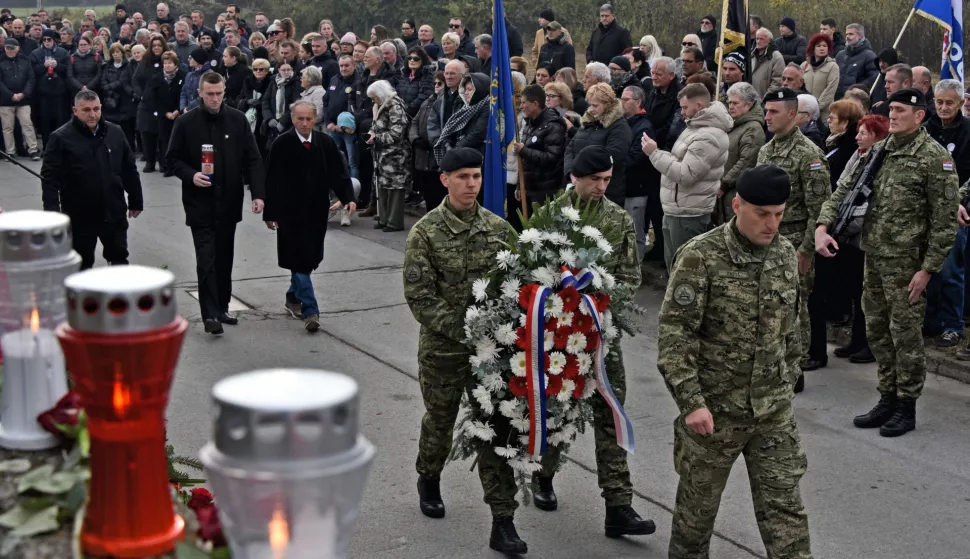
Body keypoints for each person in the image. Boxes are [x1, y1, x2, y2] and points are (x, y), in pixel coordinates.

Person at [657, 164, 812, 559]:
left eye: (779, 214)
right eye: (762, 213)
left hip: (771, 413)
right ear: (736, 204)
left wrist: (785, 381)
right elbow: (676, 337)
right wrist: (692, 403)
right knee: (696, 518)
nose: (772, 224)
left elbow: (796, 328)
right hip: (714, 414)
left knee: (786, 515)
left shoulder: (783, 255)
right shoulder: (701, 257)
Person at [403, 147, 526, 554]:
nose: (471, 184)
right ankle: (429, 476)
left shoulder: (498, 229)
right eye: (463, 177)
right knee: (440, 420)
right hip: (443, 351)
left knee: (494, 427)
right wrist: (468, 330)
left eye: (476, 176)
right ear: (445, 180)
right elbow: (420, 298)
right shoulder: (425, 232)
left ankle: (503, 520)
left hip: (491, 355)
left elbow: (516, 285)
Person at [816, 88, 958, 437]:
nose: (891, 115)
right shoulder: (879, 151)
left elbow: (944, 222)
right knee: (878, 332)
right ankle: (887, 397)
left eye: (899, 110)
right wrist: (822, 226)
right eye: (890, 109)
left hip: (909, 265)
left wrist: (928, 269)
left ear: (919, 115)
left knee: (905, 337)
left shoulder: (933, 159)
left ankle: (906, 406)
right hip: (874, 258)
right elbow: (844, 189)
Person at [532, 145, 654, 539]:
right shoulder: (549, 217)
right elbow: (533, 272)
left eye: (606, 180)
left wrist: (601, 307)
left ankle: (618, 505)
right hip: (560, 335)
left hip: (601, 338)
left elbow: (629, 276)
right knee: (557, 409)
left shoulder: (618, 220)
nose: (601, 187)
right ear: (576, 178)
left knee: (610, 413)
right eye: (594, 181)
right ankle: (543, 474)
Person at [166, 71, 265, 335]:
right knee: (206, 258)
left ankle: (222, 306)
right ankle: (209, 314)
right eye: (209, 94)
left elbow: (252, 159)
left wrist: (258, 194)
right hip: (199, 203)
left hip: (229, 201)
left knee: (224, 258)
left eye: (219, 93)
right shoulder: (186, 122)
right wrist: (191, 175)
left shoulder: (237, 120)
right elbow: (172, 159)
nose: (214, 98)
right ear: (199, 92)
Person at [263, 99, 356, 332]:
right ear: (292, 119)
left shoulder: (324, 142)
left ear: (315, 119)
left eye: (309, 119)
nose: (304, 123)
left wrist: (348, 197)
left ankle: (293, 296)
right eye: (299, 119)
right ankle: (310, 310)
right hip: (289, 212)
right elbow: (271, 181)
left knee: (310, 257)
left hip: (316, 211)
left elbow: (339, 172)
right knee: (299, 257)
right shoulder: (282, 144)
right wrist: (270, 212)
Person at [757, 88, 830, 378]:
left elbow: (820, 209)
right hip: (766, 239)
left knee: (795, 305)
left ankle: (795, 367)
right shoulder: (767, 149)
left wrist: (806, 249)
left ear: (792, 114)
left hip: (795, 238)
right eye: (766, 111)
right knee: (768, 303)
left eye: (774, 112)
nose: (767, 117)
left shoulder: (809, 154)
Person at [41, 90, 143, 270]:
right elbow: (49, 180)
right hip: (80, 215)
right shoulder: (60, 138)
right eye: (86, 110)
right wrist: (53, 214)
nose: (92, 114)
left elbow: (129, 168)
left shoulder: (115, 132)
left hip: (113, 211)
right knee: (82, 265)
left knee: (119, 260)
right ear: (75, 110)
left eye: (96, 109)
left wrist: (136, 199)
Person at [642, 83, 731, 270]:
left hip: (689, 214)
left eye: (685, 107)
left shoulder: (709, 135)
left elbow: (686, 174)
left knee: (684, 274)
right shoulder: (696, 127)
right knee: (674, 269)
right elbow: (678, 161)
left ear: (699, 106)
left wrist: (654, 154)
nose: (681, 112)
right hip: (677, 210)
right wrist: (657, 152)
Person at [923, 80, 970, 350]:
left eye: (949, 103)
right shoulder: (925, 129)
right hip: (926, 209)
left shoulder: (968, 132)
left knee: (951, 270)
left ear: (961, 103)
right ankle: (929, 321)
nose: (943, 107)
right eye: (939, 102)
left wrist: (956, 202)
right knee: (928, 269)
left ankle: (952, 325)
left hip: (956, 212)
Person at [564, 82, 632, 206]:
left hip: (606, 192)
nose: (591, 109)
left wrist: (581, 173)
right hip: (579, 186)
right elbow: (570, 149)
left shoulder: (619, 127)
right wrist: (571, 172)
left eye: (595, 105)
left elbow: (613, 156)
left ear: (607, 104)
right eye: (590, 105)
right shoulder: (588, 122)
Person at [509, 84, 566, 231]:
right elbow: (525, 161)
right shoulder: (529, 124)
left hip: (544, 191)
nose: (521, 106)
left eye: (524, 102)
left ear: (535, 104)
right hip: (529, 188)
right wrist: (519, 184)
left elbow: (551, 158)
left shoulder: (553, 126)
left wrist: (525, 151)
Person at [717, 82, 766, 225]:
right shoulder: (735, 124)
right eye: (729, 102)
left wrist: (724, 184)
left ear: (749, 105)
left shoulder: (753, 128)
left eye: (735, 103)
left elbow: (747, 161)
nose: (730, 106)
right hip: (726, 190)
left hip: (736, 191)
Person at [620, 85, 659, 259]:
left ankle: (635, 268)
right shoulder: (621, 123)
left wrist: (613, 164)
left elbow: (636, 158)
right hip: (622, 187)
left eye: (626, 99)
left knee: (635, 232)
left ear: (638, 102)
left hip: (637, 188)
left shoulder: (644, 126)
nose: (621, 102)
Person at [367, 80, 411, 232]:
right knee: (382, 185)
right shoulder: (379, 105)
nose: (373, 101)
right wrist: (372, 133)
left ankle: (394, 221)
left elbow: (397, 132)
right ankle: (384, 218)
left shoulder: (395, 106)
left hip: (395, 154)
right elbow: (376, 125)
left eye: (374, 97)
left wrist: (377, 138)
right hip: (382, 153)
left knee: (395, 188)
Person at [433, 72, 489, 162]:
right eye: (465, 89)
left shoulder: (487, 106)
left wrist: (457, 148)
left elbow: (478, 133)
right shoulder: (465, 106)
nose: (466, 93)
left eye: (470, 90)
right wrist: (448, 143)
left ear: (480, 90)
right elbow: (453, 127)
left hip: (476, 153)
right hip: (462, 151)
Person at [410, 71, 446, 211]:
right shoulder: (427, 101)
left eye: (440, 83)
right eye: (435, 83)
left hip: (435, 154)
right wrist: (415, 139)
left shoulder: (445, 102)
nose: (436, 86)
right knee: (427, 192)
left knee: (437, 193)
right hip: (422, 155)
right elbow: (414, 121)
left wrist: (432, 142)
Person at [133, 34, 168, 172]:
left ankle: (163, 162)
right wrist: (141, 95)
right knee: (147, 134)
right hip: (146, 105)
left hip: (162, 104)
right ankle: (150, 161)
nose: (157, 48)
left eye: (159, 45)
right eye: (154, 46)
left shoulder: (168, 60)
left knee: (162, 135)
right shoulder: (144, 62)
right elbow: (135, 80)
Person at [1, 38, 39, 159]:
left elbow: (31, 79)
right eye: (7, 48)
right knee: (7, 127)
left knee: (27, 124)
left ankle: (33, 149)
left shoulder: (25, 60)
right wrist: (11, 95)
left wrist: (24, 93)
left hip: (24, 99)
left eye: (12, 48)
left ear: (18, 48)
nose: (10, 50)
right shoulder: (0, 60)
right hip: (5, 100)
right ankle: (10, 152)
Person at [149, 51, 184, 176]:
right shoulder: (156, 78)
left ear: (175, 64)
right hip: (163, 115)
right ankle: (165, 165)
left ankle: (177, 165)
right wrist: (164, 113)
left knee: (177, 140)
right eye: (165, 63)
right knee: (164, 141)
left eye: (170, 63)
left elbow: (183, 95)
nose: (168, 65)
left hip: (178, 114)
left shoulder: (182, 76)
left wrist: (177, 111)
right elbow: (153, 98)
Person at [324, 54, 359, 179]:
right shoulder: (334, 79)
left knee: (352, 162)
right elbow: (326, 101)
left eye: (347, 65)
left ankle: (354, 193)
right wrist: (328, 122)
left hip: (349, 130)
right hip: (333, 128)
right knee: (335, 161)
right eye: (341, 66)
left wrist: (343, 126)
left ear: (354, 66)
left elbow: (358, 107)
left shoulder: (359, 82)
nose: (344, 68)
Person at [100, 43, 136, 150]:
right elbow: (103, 79)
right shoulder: (107, 65)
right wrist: (106, 88)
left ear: (122, 53)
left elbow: (123, 80)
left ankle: (129, 147)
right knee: (112, 124)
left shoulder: (127, 65)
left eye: (118, 52)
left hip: (124, 98)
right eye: (113, 52)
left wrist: (110, 86)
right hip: (111, 99)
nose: (115, 54)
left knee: (126, 126)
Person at [644, 56, 681, 149]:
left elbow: (672, 127)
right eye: (652, 73)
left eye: (658, 74)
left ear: (671, 75)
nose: (653, 77)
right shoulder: (654, 91)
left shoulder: (680, 96)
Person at [261, 62, 301, 147]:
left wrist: (283, 122)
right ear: (279, 70)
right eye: (283, 70)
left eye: (288, 70)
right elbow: (265, 101)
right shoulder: (273, 82)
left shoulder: (296, 83)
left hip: (288, 123)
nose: (286, 72)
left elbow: (295, 104)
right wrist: (269, 118)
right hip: (273, 121)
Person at [802, 33, 839, 122]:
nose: (822, 48)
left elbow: (830, 89)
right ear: (813, 48)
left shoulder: (833, 66)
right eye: (818, 46)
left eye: (825, 46)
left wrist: (816, 107)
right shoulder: (805, 65)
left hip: (824, 114)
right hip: (805, 112)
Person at [835, 24, 878, 99]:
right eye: (846, 34)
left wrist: (856, 90)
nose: (847, 37)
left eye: (851, 34)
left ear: (860, 36)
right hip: (838, 99)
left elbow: (873, 78)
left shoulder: (869, 55)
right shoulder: (840, 55)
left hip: (857, 99)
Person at [399, 45, 434, 117]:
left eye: (416, 59)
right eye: (409, 58)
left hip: (416, 116)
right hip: (400, 115)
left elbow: (424, 96)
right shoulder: (403, 75)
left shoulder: (427, 75)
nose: (412, 60)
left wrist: (407, 110)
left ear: (422, 61)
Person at [751, 28, 784, 98]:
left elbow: (777, 82)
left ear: (769, 40)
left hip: (766, 100)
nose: (758, 41)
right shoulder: (751, 55)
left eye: (761, 39)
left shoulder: (776, 57)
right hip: (750, 99)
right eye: (757, 39)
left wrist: (766, 98)